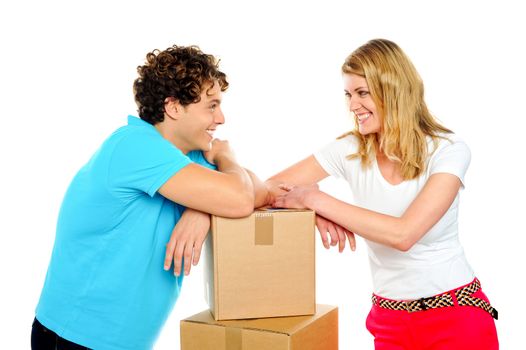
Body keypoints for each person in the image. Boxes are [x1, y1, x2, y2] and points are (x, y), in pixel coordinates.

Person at [267, 39, 499, 349]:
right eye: (348, 95)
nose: (352, 106)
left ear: (393, 90)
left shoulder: (448, 151)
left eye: (362, 93)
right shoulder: (350, 150)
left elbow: (404, 234)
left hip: (455, 317)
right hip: (389, 321)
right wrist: (309, 213)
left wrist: (315, 200)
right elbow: (267, 191)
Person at [32, 45, 267, 349]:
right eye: (211, 105)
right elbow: (240, 198)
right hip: (75, 338)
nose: (221, 118)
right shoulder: (135, 146)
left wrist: (204, 211)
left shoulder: (187, 157)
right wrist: (228, 160)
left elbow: (260, 192)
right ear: (173, 107)